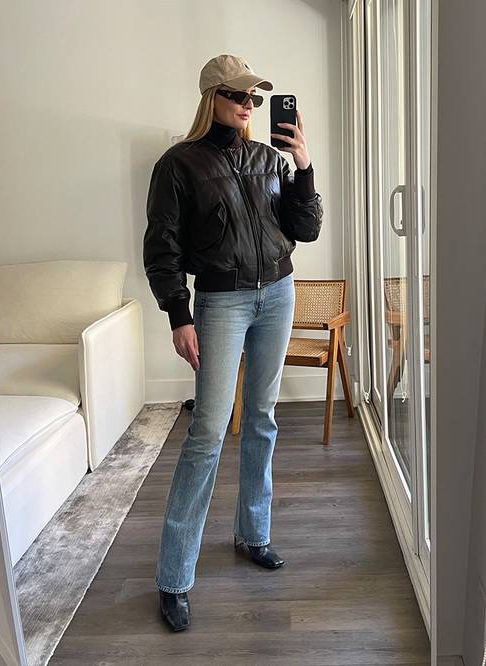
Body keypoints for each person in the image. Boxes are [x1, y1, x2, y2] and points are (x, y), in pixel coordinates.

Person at [143, 54, 323, 632]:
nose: (249, 106)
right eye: (239, 96)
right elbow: (163, 246)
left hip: (279, 294)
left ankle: (254, 534)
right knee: (208, 432)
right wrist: (178, 314)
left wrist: (304, 166)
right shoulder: (177, 164)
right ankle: (174, 578)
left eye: (254, 98)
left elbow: (305, 228)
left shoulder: (269, 158)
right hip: (221, 302)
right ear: (212, 98)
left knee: (263, 418)